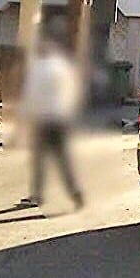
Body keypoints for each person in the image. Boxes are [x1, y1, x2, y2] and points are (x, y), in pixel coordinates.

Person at [18, 37, 84, 209]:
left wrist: (23, 117)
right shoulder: (62, 68)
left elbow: (32, 95)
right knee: (63, 159)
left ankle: (37, 195)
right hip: (60, 119)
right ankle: (75, 193)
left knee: (39, 160)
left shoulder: (39, 69)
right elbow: (72, 91)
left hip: (44, 120)